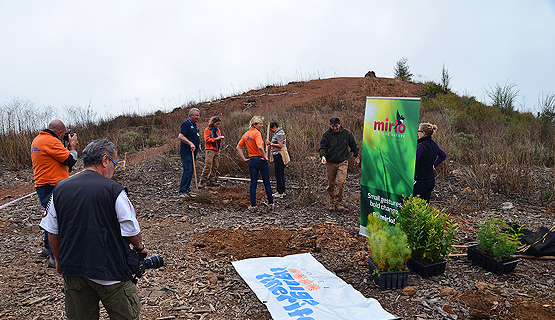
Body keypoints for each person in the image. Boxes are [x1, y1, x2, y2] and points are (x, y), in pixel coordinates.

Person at [40, 139, 148, 320]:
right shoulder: (114, 190)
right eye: (114, 163)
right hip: (111, 272)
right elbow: (131, 230)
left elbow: (52, 231)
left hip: (73, 271)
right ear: (105, 160)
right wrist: (140, 249)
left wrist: (59, 260)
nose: (114, 169)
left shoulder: (59, 188)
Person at [31, 119, 78, 268]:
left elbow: (61, 163)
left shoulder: (38, 140)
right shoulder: (51, 141)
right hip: (52, 186)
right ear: (59, 132)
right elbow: (70, 161)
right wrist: (72, 146)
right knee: (58, 220)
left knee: (50, 216)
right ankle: (54, 257)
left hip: (43, 185)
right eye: (63, 135)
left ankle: (46, 248)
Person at [319, 117, 360, 212]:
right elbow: (322, 147)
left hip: (343, 161)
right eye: (333, 126)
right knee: (331, 183)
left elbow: (353, 145)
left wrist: (357, 156)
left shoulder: (346, 133)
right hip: (330, 161)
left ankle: (339, 202)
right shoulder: (326, 135)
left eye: (336, 126)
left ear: (340, 124)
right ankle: (332, 202)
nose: (335, 128)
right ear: (330, 126)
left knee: (341, 182)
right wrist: (323, 156)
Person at [236, 116, 274, 212]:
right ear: (254, 124)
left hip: (252, 161)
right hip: (260, 160)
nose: (262, 125)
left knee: (253, 183)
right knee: (266, 182)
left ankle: (253, 205)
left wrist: (244, 159)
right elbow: (260, 147)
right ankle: (271, 203)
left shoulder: (246, 134)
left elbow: (238, 147)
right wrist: (265, 157)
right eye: (260, 123)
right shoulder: (257, 133)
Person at [413, 122, 447, 202]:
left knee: (411, 204)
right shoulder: (434, 144)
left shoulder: (421, 146)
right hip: (430, 180)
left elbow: (413, 162)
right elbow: (443, 155)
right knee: (424, 205)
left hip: (420, 180)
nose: (417, 132)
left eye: (418, 130)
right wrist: (434, 164)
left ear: (423, 133)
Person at [178, 108, 201, 197]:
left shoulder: (194, 125)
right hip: (186, 152)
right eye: (196, 115)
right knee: (188, 170)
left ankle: (187, 189)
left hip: (193, 152)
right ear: (191, 115)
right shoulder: (186, 124)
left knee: (191, 170)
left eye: (198, 115)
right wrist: (190, 143)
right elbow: (180, 136)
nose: (198, 117)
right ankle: (182, 191)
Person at [265, 121, 289, 198]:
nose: (271, 131)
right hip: (277, 155)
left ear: (275, 126)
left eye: (271, 129)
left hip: (279, 156)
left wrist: (271, 144)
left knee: (278, 174)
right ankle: (281, 191)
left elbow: (280, 145)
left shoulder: (280, 133)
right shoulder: (277, 133)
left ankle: (280, 192)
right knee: (280, 174)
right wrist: (272, 146)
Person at [200, 116, 224, 187]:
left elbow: (219, 139)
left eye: (219, 124)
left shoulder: (218, 130)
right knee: (208, 165)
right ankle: (202, 180)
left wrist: (220, 139)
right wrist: (216, 139)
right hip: (210, 150)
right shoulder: (207, 130)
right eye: (217, 124)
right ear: (213, 123)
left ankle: (212, 180)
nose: (218, 126)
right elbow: (207, 140)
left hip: (217, 149)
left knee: (215, 165)